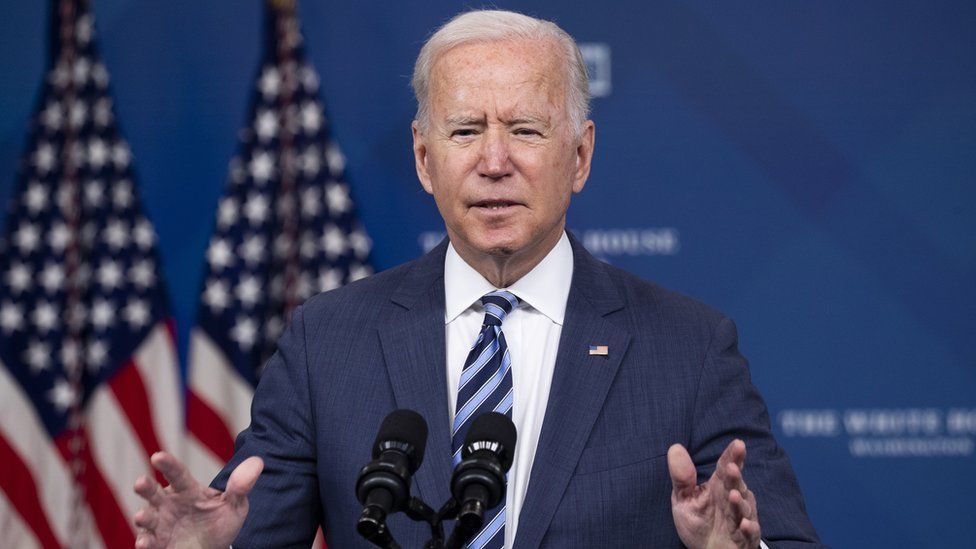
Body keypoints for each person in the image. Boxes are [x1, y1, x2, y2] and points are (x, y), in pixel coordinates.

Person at [134, 10, 822, 549]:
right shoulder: (328, 341)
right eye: (466, 131)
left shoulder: (689, 348)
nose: (494, 161)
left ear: (579, 156)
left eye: (524, 129)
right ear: (425, 158)